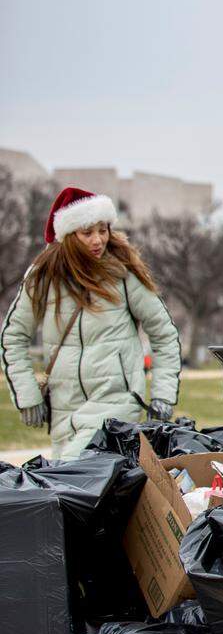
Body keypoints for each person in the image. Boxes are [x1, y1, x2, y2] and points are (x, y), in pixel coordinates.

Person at [1, 187, 181, 460]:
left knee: (75, 478)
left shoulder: (123, 273)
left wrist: (163, 394)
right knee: (72, 493)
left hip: (116, 405)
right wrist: (27, 396)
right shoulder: (42, 277)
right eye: (87, 232)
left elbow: (164, 333)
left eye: (103, 230)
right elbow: (13, 336)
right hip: (64, 411)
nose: (98, 240)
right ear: (69, 236)